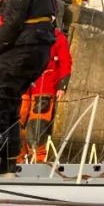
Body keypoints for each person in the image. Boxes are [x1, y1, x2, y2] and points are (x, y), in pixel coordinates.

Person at [0, 0, 56, 174]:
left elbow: (12, 24)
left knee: (2, 102)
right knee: (10, 105)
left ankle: (3, 162)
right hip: (38, 55)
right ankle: (8, 161)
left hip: (21, 52)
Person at [19, 27, 72, 163]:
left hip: (45, 88)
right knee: (16, 126)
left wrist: (62, 85)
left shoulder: (58, 37)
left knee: (35, 130)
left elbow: (65, 61)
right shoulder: (24, 30)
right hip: (23, 86)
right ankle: (18, 159)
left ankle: (38, 160)